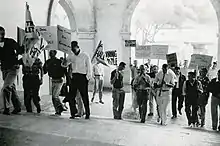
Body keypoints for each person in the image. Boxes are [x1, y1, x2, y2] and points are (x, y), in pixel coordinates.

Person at [62, 41, 92, 119]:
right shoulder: (71, 56)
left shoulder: (85, 55)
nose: (73, 51)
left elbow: (89, 67)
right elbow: (64, 65)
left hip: (83, 77)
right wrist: (64, 62)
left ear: (77, 47)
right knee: (71, 96)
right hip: (74, 77)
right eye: (72, 49)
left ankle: (87, 113)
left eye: (74, 49)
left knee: (84, 96)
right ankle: (73, 113)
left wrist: (87, 78)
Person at [0, 26, 23, 115]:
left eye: (3, 33)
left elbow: (20, 50)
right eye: (0, 34)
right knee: (11, 87)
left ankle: (7, 108)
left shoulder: (10, 41)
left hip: (13, 68)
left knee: (6, 87)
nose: (1, 36)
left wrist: (18, 58)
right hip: (4, 69)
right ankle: (17, 107)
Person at [43, 50, 68, 115]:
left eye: (52, 53)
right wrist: (45, 67)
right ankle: (58, 110)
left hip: (59, 80)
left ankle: (61, 106)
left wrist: (67, 79)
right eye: (50, 53)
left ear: (55, 54)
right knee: (53, 97)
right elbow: (44, 71)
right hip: (53, 80)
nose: (51, 54)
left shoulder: (59, 61)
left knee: (55, 96)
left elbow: (65, 70)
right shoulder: (47, 62)